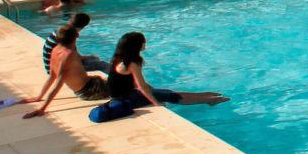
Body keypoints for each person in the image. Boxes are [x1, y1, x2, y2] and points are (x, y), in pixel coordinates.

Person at [88, 32, 227, 122]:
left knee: (165, 92)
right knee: (170, 96)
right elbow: (142, 86)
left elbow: (139, 85)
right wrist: (155, 102)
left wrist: (154, 92)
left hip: (125, 95)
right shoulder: (132, 63)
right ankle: (208, 100)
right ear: (136, 45)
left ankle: (206, 96)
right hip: (126, 99)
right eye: (143, 42)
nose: (145, 44)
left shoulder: (119, 58)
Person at [25, 20, 106, 117]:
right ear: (77, 36)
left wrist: (39, 97)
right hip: (89, 91)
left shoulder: (56, 50)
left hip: (90, 86)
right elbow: (58, 83)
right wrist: (42, 108)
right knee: (123, 85)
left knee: (109, 79)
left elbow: (52, 77)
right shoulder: (68, 55)